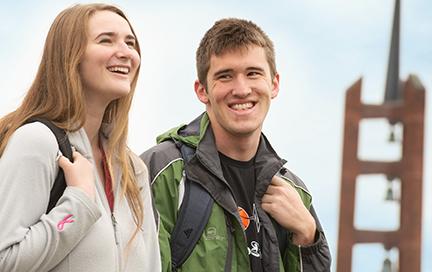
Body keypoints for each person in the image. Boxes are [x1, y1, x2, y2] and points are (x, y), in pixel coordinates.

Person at [141, 18, 331, 271]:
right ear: (202, 91)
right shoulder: (163, 170)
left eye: (253, 73)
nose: (241, 90)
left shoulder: (294, 192)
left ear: (273, 84)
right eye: (225, 76)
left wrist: (308, 237)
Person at [0, 4, 160, 271]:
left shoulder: (133, 169)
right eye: (106, 40)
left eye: (130, 43)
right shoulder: (37, 143)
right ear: (70, 56)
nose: (125, 53)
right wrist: (78, 202)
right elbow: (5, 260)